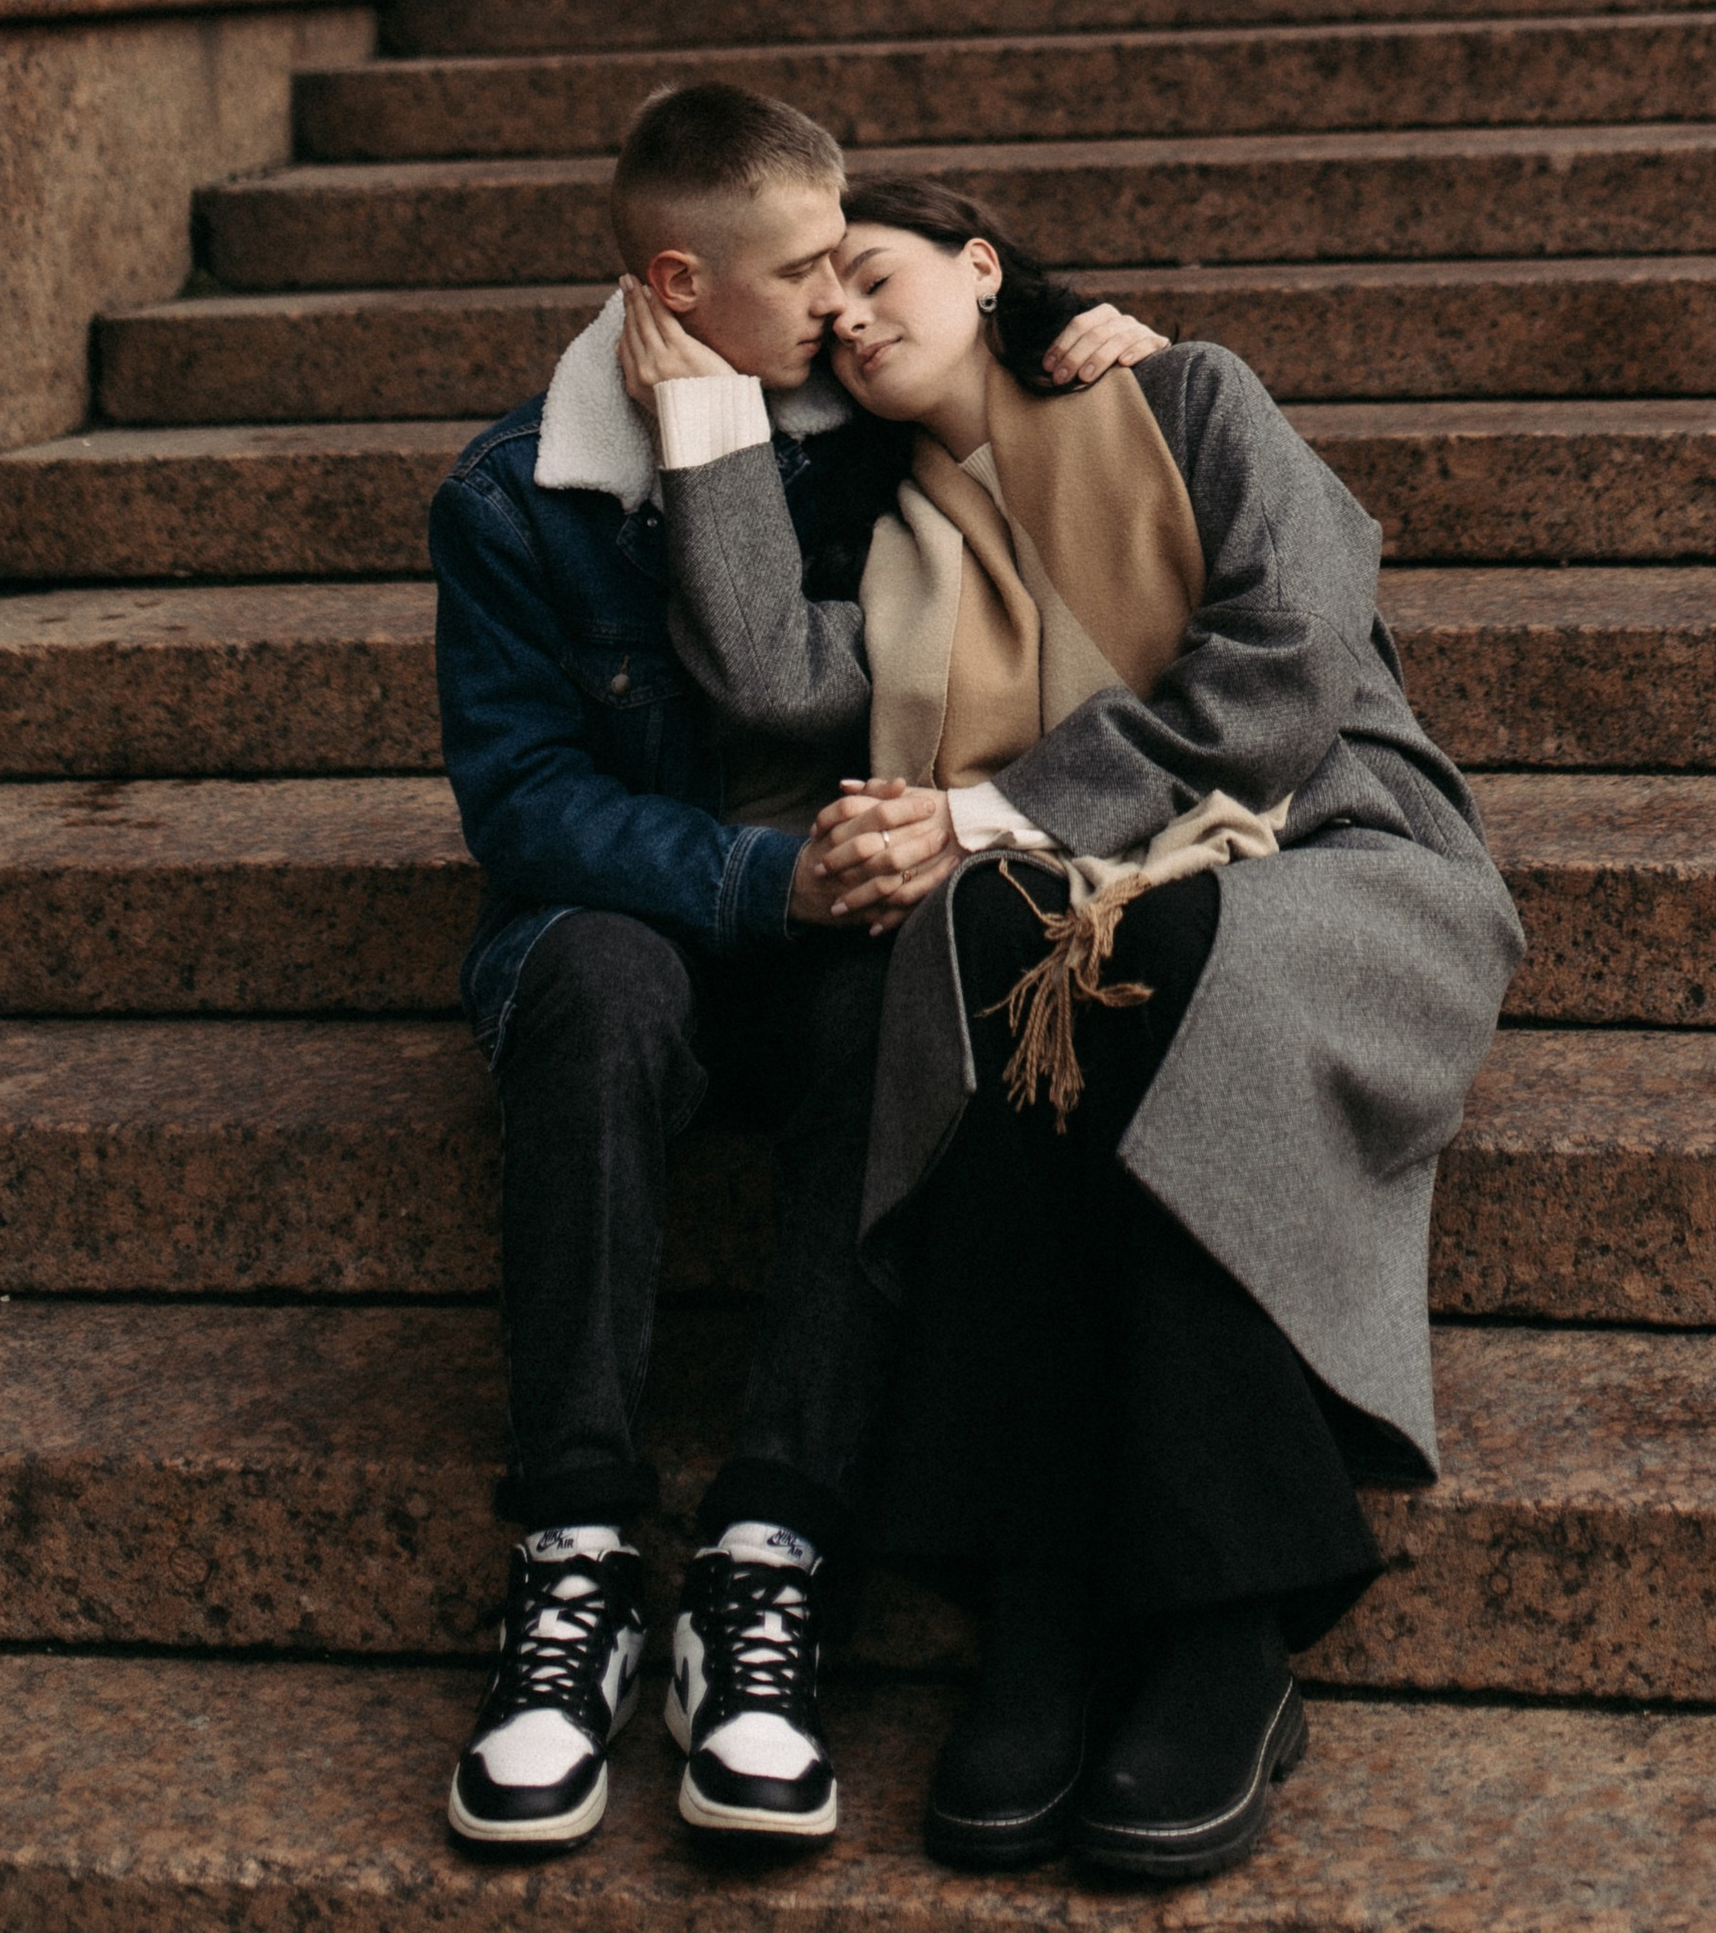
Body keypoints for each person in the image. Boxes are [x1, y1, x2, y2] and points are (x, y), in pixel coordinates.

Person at [622, 171, 1525, 1885]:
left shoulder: (1189, 396)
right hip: (1091, 901)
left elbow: (1285, 663)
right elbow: (768, 676)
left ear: (981, 267)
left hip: (1334, 854)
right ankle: (1039, 1608)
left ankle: (1217, 1625)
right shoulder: (897, 537)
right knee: (980, 948)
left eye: (873, 273)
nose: (846, 315)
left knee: (1129, 948)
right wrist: (711, 418)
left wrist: (986, 812)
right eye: (818, 306)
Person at [431, 84, 1162, 1854]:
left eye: (852, 262)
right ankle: (576, 1554)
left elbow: (999, 389)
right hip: (645, 928)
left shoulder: (859, 431)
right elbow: (524, 801)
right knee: (599, 981)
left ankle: (770, 1557)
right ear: (680, 287)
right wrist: (767, 881)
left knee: (905, 982)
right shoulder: (516, 494)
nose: (841, 298)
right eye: (804, 270)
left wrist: (1072, 323)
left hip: (847, 938)